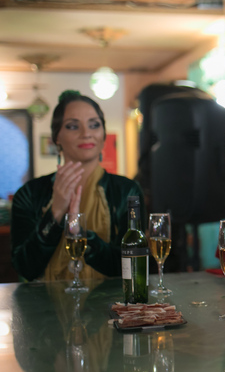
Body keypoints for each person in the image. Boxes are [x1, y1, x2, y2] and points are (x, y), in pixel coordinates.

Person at [11, 90, 144, 282]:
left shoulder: (127, 191)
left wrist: (80, 235)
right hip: (44, 308)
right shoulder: (29, 193)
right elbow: (25, 268)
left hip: (110, 306)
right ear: (57, 137)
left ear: (103, 134)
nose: (86, 133)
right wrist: (55, 213)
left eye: (94, 125)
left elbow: (133, 265)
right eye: (73, 126)